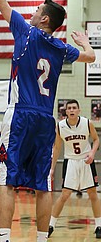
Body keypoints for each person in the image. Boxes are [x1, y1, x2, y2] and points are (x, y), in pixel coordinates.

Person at [0, 0, 96, 241]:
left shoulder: (26, 32)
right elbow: (90, 57)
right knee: (43, 185)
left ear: (44, 19)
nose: (32, 14)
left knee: (6, 179)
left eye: (36, 11)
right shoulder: (60, 47)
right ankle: (42, 239)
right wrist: (84, 42)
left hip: (21, 113)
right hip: (46, 120)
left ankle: (3, 238)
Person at [49, 99, 101, 238]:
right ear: (65, 111)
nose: (71, 110)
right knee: (65, 195)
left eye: (74, 108)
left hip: (86, 161)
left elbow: (96, 140)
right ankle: (51, 225)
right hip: (70, 161)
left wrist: (92, 153)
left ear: (78, 110)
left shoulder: (86, 123)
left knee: (92, 194)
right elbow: (57, 147)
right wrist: (52, 168)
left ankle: (99, 226)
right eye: (69, 108)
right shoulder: (60, 126)